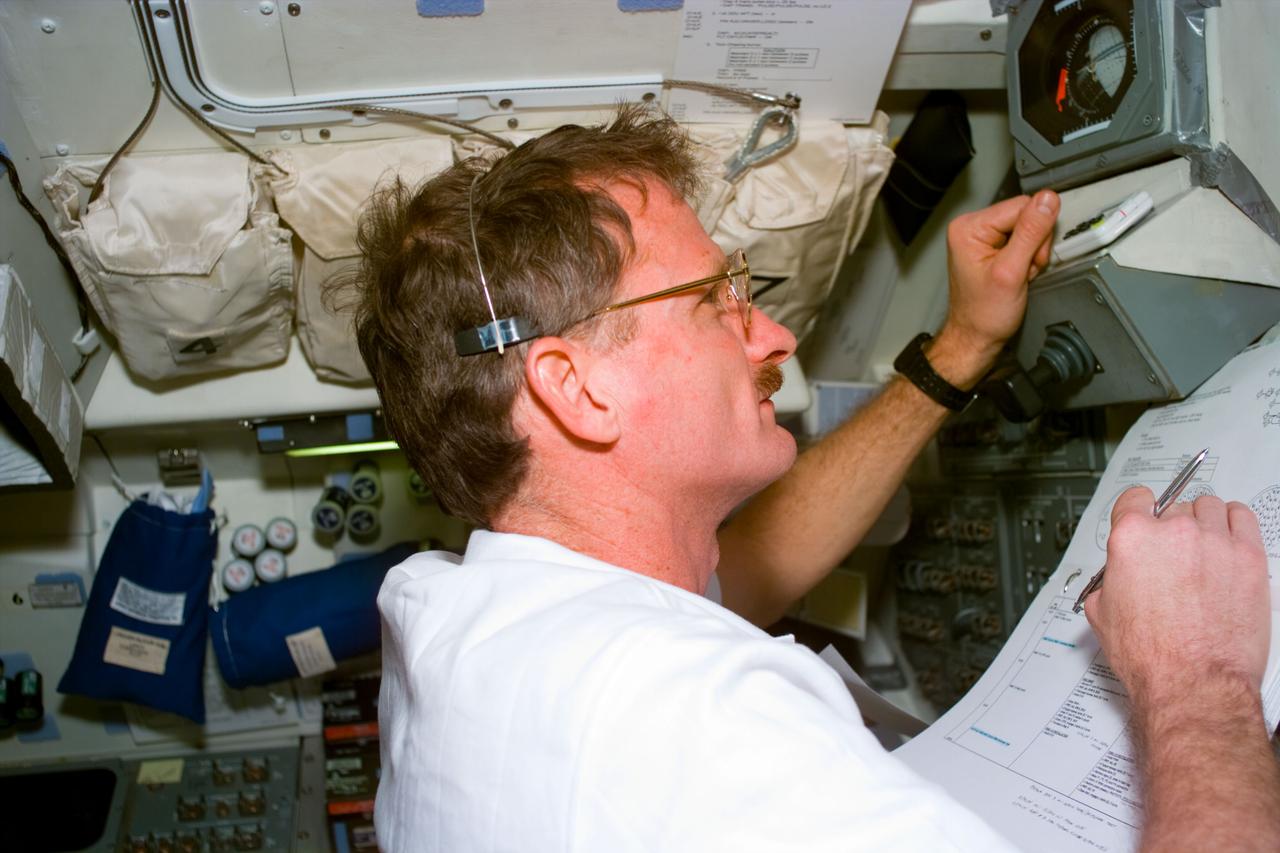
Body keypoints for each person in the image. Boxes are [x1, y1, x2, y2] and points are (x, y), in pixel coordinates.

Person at [350, 106, 1280, 851]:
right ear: (576, 388)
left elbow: (744, 574)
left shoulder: (461, 619)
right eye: (714, 301)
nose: (775, 337)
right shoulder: (692, 721)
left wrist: (959, 349)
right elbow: (686, 689)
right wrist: (1197, 677)